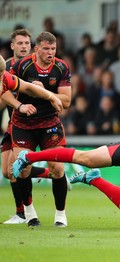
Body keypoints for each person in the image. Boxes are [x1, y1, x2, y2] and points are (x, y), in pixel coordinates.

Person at [9, 31, 71, 227]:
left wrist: (42, 90)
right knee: (22, 168)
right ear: (36, 49)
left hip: (49, 124)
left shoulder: (61, 67)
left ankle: (60, 216)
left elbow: (67, 101)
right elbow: (5, 93)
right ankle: (30, 214)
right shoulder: (21, 65)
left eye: (53, 49)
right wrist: (20, 105)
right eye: (46, 49)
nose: (50, 52)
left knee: (58, 168)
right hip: (23, 124)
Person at [1, 29, 59, 225]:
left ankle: (22, 214)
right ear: (12, 46)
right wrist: (17, 94)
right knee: (7, 172)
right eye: (20, 43)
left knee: (15, 169)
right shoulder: (8, 67)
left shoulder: (34, 66)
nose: (23, 46)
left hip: (33, 123)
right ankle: (50, 176)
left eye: (26, 43)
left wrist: (34, 90)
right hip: (13, 122)